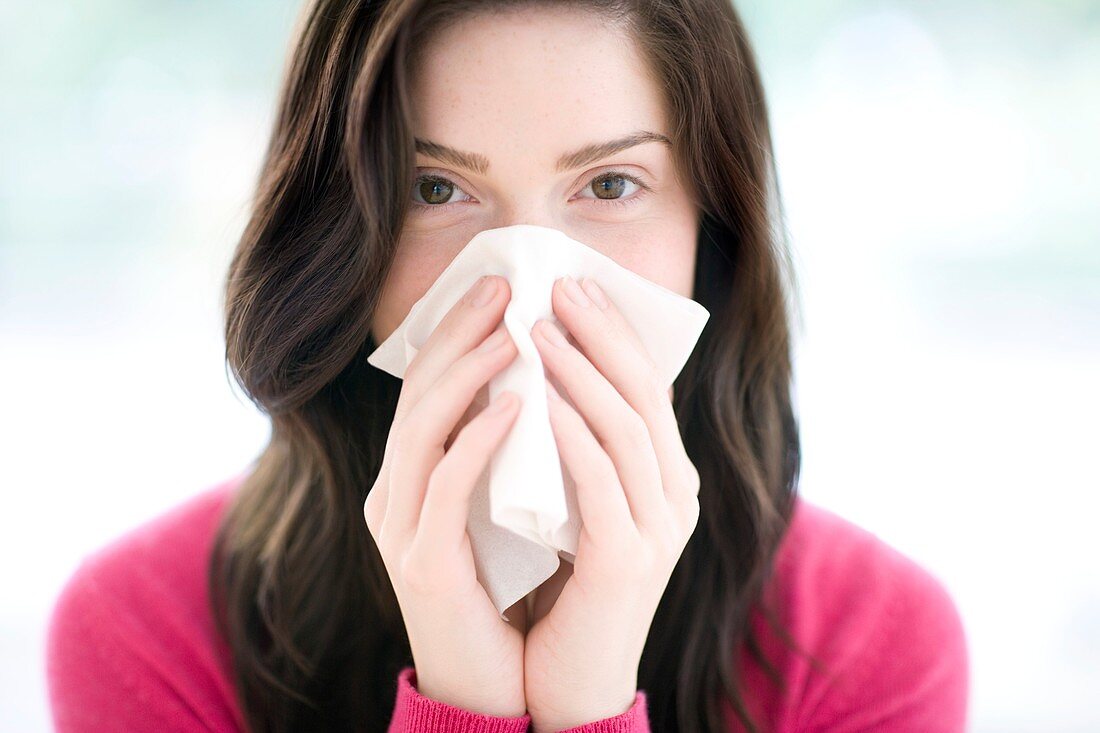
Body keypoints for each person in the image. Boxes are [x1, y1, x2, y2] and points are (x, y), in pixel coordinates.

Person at [45, 0, 970, 731]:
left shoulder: (866, 644)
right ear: (342, 233)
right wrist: (462, 702)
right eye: (436, 188)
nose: (526, 284)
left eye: (610, 186)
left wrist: (593, 700)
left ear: (710, 229)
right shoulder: (148, 631)